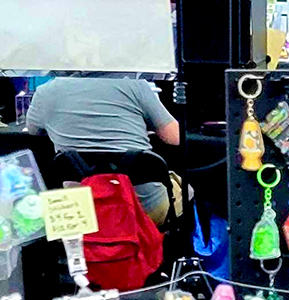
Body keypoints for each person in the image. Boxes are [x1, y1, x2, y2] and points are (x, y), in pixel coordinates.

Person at [25, 74, 179, 226]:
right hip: (144, 209)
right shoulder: (135, 85)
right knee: (187, 190)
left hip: (77, 213)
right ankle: (177, 247)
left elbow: (33, 130)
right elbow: (173, 136)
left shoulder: (45, 92)